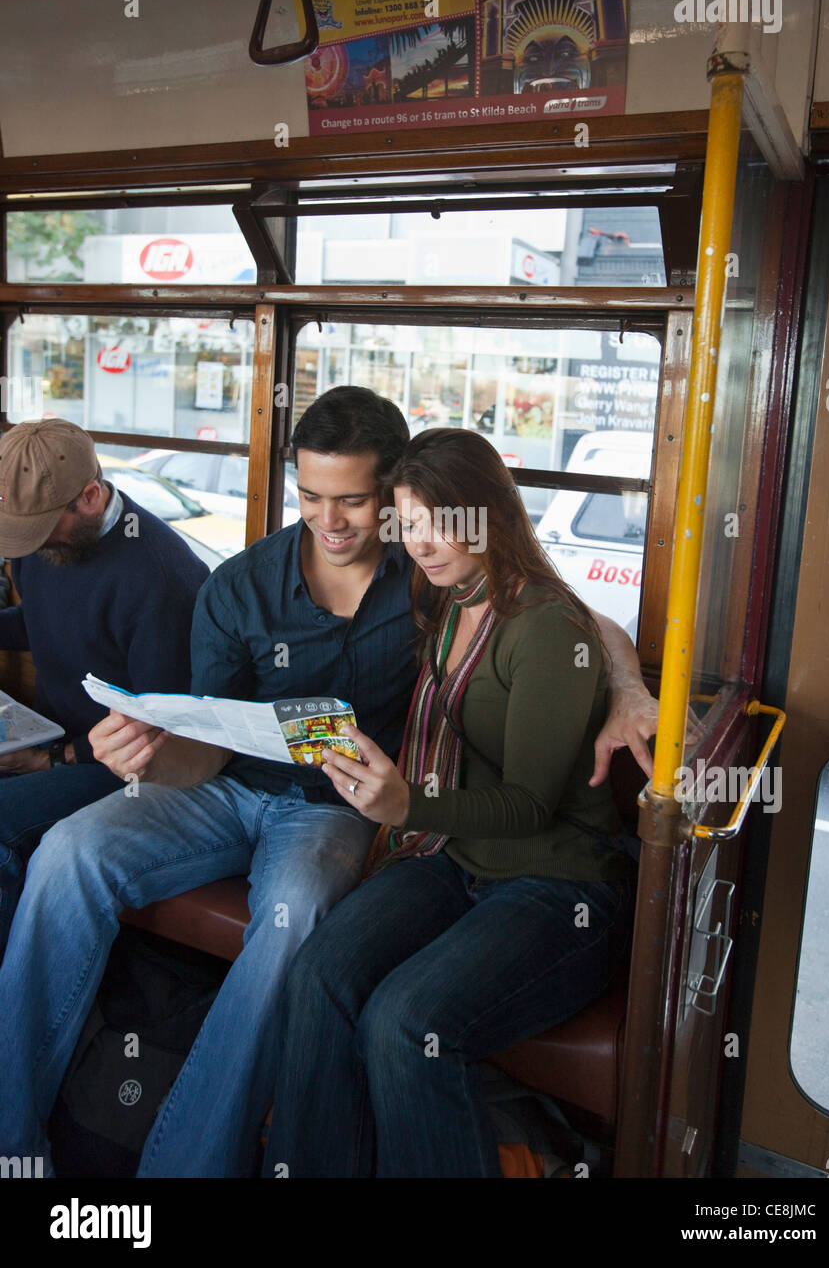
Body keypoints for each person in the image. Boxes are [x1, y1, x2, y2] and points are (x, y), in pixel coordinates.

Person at [0, 388, 656, 1179]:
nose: (331, 520)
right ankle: (12, 1145)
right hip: (223, 788)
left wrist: (627, 689)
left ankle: (185, 1168)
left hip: (338, 811)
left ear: (395, 492)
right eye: (310, 497)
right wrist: (147, 756)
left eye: (354, 500)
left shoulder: (428, 574)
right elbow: (202, 754)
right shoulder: (241, 583)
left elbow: (569, 616)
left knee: (294, 915)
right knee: (66, 852)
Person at [264, 427, 637, 1178]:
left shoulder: (546, 626)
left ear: (491, 515)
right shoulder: (446, 597)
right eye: (410, 523)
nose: (424, 543)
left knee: (406, 1023)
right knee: (317, 974)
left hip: (557, 884)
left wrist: (406, 806)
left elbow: (530, 804)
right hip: (458, 858)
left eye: (443, 522)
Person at [0, 418, 209, 958]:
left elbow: (160, 740)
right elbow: (47, 623)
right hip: (52, 739)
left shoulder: (161, 579)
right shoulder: (38, 542)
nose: (29, 545)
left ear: (90, 496)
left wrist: (51, 759)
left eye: (42, 529)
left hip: (126, 772)